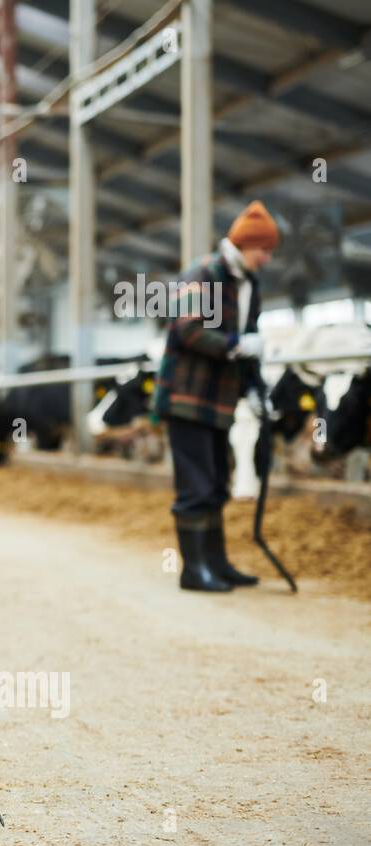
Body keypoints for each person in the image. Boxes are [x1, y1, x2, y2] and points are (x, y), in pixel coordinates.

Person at [152, 200, 279, 592]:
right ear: (245, 245)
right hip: (187, 396)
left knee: (218, 480)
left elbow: (250, 340)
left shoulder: (250, 284)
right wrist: (235, 344)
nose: (267, 259)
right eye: (264, 250)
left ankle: (216, 562)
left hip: (221, 399)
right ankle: (193, 570)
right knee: (196, 484)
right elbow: (187, 330)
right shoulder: (204, 273)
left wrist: (257, 390)